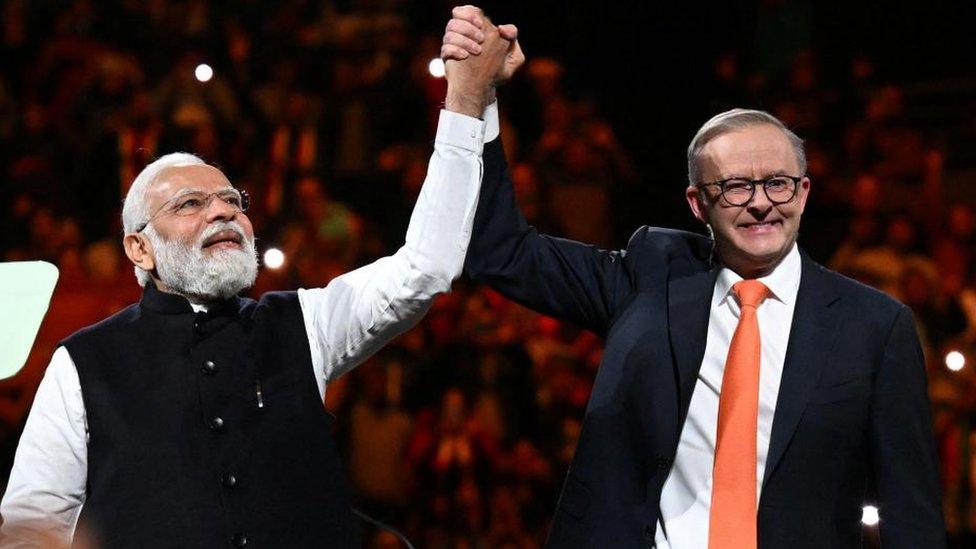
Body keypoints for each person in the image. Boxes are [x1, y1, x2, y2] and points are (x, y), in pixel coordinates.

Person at [441, 6, 944, 548]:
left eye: (777, 183)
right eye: (733, 187)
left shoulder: (875, 325)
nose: (759, 205)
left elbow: (909, 513)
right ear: (698, 205)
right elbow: (502, 252)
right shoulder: (651, 275)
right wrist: (476, 97)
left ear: (804, 192)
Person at [0, 23, 517, 548]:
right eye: (190, 204)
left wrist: (466, 99)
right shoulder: (82, 363)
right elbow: (31, 524)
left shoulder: (305, 323)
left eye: (231, 200)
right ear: (140, 249)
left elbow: (424, 268)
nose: (223, 211)